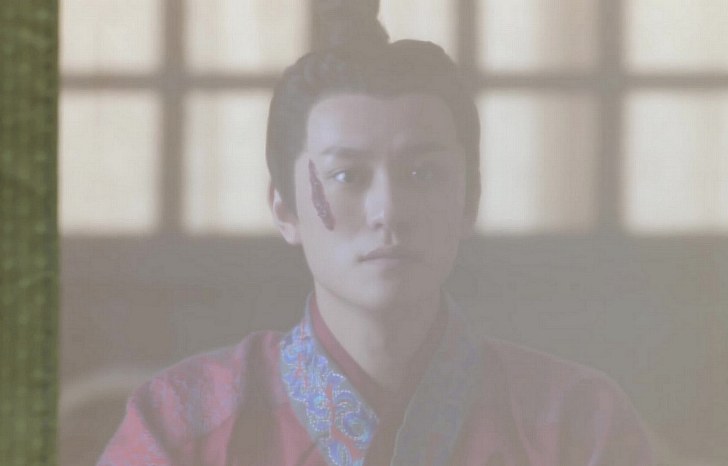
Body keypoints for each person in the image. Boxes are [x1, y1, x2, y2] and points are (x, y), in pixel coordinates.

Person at [98, 0, 653, 464]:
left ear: (470, 201)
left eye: (422, 174)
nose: (388, 211)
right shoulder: (181, 423)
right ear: (284, 209)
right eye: (347, 176)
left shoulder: (579, 423)